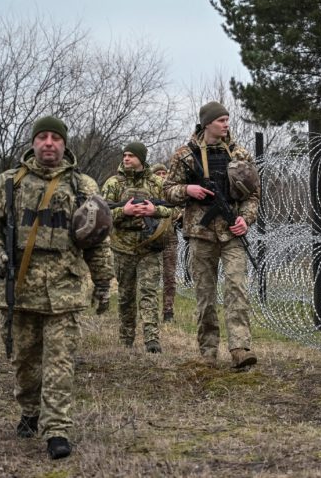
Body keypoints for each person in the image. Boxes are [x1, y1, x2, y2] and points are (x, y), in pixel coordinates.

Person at [0, 115, 114, 460]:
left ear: (65, 144)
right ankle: (29, 412)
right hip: (20, 288)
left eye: (55, 137)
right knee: (25, 362)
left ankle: (57, 430)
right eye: (43, 137)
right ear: (33, 143)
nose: (49, 143)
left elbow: (98, 241)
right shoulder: (10, 182)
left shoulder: (84, 187)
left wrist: (102, 283)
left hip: (64, 289)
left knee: (60, 362)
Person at [164, 101, 260, 369]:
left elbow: (252, 194)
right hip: (201, 232)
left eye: (227, 119)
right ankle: (207, 350)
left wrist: (245, 219)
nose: (226, 124)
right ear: (207, 123)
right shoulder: (186, 155)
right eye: (220, 120)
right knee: (205, 295)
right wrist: (188, 191)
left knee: (236, 289)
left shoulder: (240, 155)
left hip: (231, 234)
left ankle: (240, 348)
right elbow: (167, 190)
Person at [101, 142, 173, 353]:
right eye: (124, 155)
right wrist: (124, 211)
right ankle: (126, 338)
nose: (126, 158)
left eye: (131, 155)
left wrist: (154, 210)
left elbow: (175, 211)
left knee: (148, 292)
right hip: (122, 249)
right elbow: (100, 214)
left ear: (141, 158)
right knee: (125, 295)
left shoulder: (157, 183)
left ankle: (152, 340)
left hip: (149, 248)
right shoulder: (113, 183)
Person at [150, 162, 181, 323]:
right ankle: (150, 310)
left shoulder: (172, 194)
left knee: (169, 278)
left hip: (170, 239)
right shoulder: (149, 192)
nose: (162, 176)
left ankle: (168, 312)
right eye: (159, 173)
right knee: (151, 277)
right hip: (152, 240)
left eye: (164, 173)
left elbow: (178, 213)